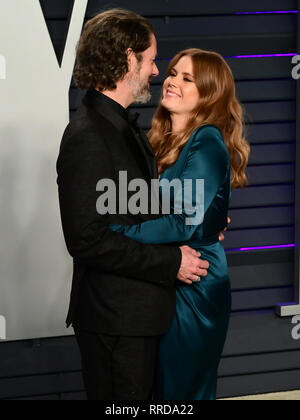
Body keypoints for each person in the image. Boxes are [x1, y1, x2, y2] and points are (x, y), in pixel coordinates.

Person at [56, 10, 213, 401]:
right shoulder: (87, 136)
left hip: (139, 317)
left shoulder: (122, 126)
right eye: (150, 60)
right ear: (129, 60)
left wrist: (197, 221)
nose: (156, 72)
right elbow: (89, 241)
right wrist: (171, 262)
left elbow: (139, 206)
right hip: (116, 322)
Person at [109, 48, 250, 400]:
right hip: (163, 273)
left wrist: (121, 233)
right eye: (173, 72)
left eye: (188, 79)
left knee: (179, 391)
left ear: (210, 93)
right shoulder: (157, 141)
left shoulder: (206, 139)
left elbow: (183, 222)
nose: (171, 81)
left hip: (195, 281)